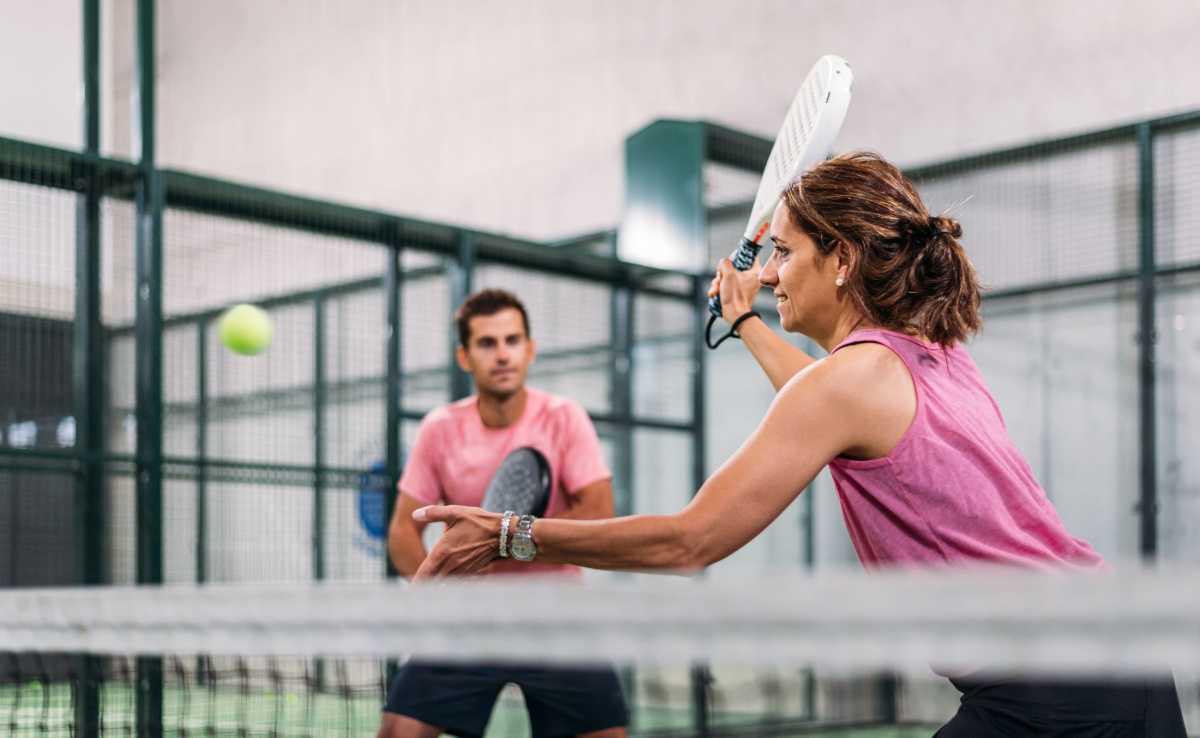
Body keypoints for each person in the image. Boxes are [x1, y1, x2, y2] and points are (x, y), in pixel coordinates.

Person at [410, 153, 1188, 738]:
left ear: (841, 259)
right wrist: (746, 319)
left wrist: (511, 536)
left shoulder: (849, 384)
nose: (774, 272)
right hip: (1120, 666)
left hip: (1053, 693)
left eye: (785, 251)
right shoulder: (928, 351)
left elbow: (690, 542)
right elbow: (821, 399)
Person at [378, 288, 628, 738]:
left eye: (512, 341)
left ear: (530, 350)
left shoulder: (564, 418)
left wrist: (498, 541)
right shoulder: (440, 428)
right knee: (398, 731)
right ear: (464, 356)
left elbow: (597, 511)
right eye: (487, 343)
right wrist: (441, 592)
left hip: (558, 617)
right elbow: (402, 531)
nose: (502, 355)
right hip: (468, 622)